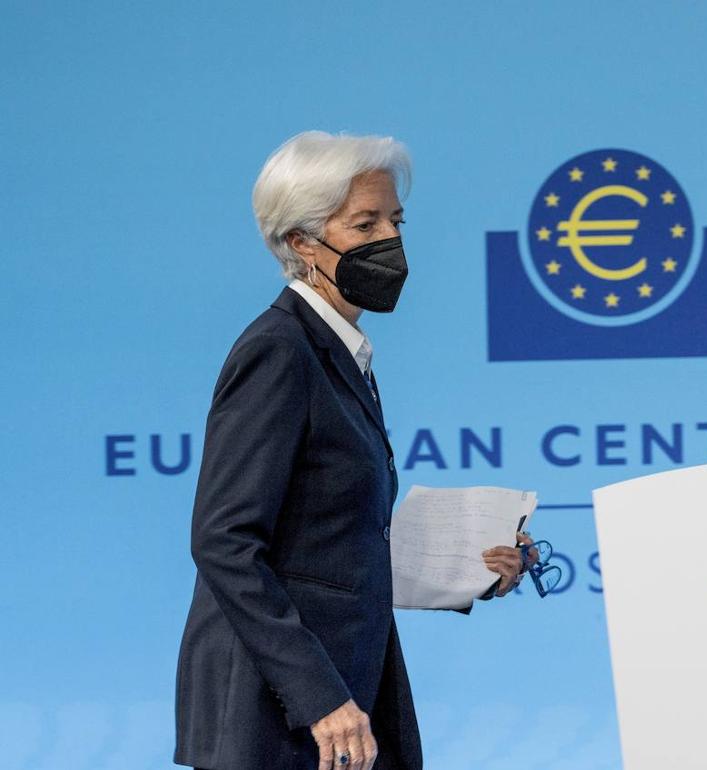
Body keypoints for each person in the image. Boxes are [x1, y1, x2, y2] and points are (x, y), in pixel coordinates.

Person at [174, 131, 531, 770]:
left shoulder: (341, 351)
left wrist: (471, 569)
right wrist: (318, 698)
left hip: (347, 689)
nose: (389, 240)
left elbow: (328, 543)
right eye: (365, 225)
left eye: (395, 221)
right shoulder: (280, 350)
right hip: (279, 712)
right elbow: (224, 542)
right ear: (301, 242)